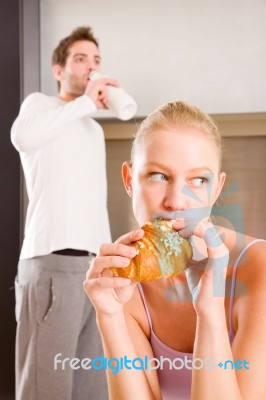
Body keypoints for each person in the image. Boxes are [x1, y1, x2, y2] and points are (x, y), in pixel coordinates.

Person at [83, 100, 266, 400]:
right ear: (129, 180)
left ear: (217, 189)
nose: (176, 202)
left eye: (198, 180)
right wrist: (110, 316)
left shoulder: (259, 268)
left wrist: (209, 312)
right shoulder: (126, 282)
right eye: (159, 176)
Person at [11, 26, 118, 400]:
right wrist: (86, 102)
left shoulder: (92, 130)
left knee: (92, 384)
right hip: (52, 262)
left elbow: (97, 200)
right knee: (46, 385)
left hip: (92, 270)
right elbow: (22, 138)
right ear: (59, 70)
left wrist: (108, 264)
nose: (91, 66)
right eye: (80, 58)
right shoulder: (39, 105)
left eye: (96, 60)